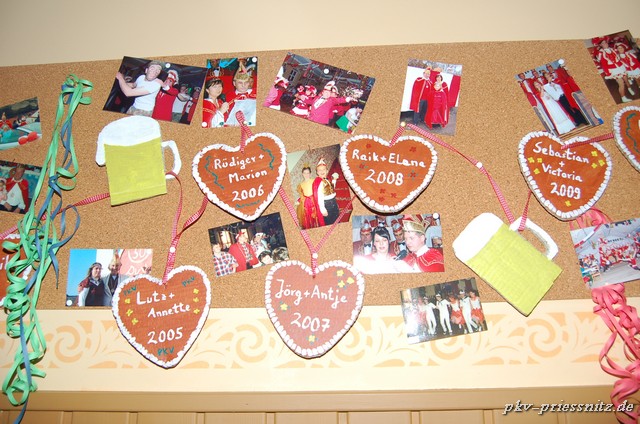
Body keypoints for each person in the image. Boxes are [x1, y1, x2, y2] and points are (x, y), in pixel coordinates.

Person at [594, 37, 634, 103]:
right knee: (621, 84)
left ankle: (629, 88)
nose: (605, 44)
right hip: (614, 70)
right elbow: (603, 64)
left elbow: (622, 51)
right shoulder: (601, 53)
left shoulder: (612, 49)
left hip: (621, 67)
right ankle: (623, 98)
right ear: (600, 45)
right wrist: (608, 73)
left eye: (605, 42)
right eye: (603, 43)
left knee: (626, 80)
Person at [312, 158, 340, 225]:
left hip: (333, 201)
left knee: (336, 218)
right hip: (327, 204)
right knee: (329, 221)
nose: (322, 171)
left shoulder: (327, 179)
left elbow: (331, 189)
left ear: (327, 171)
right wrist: (323, 209)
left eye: (324, 169)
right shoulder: (318, 182)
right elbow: (319, 197)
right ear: (317, 172)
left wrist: (334, 180)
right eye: (320, 170)